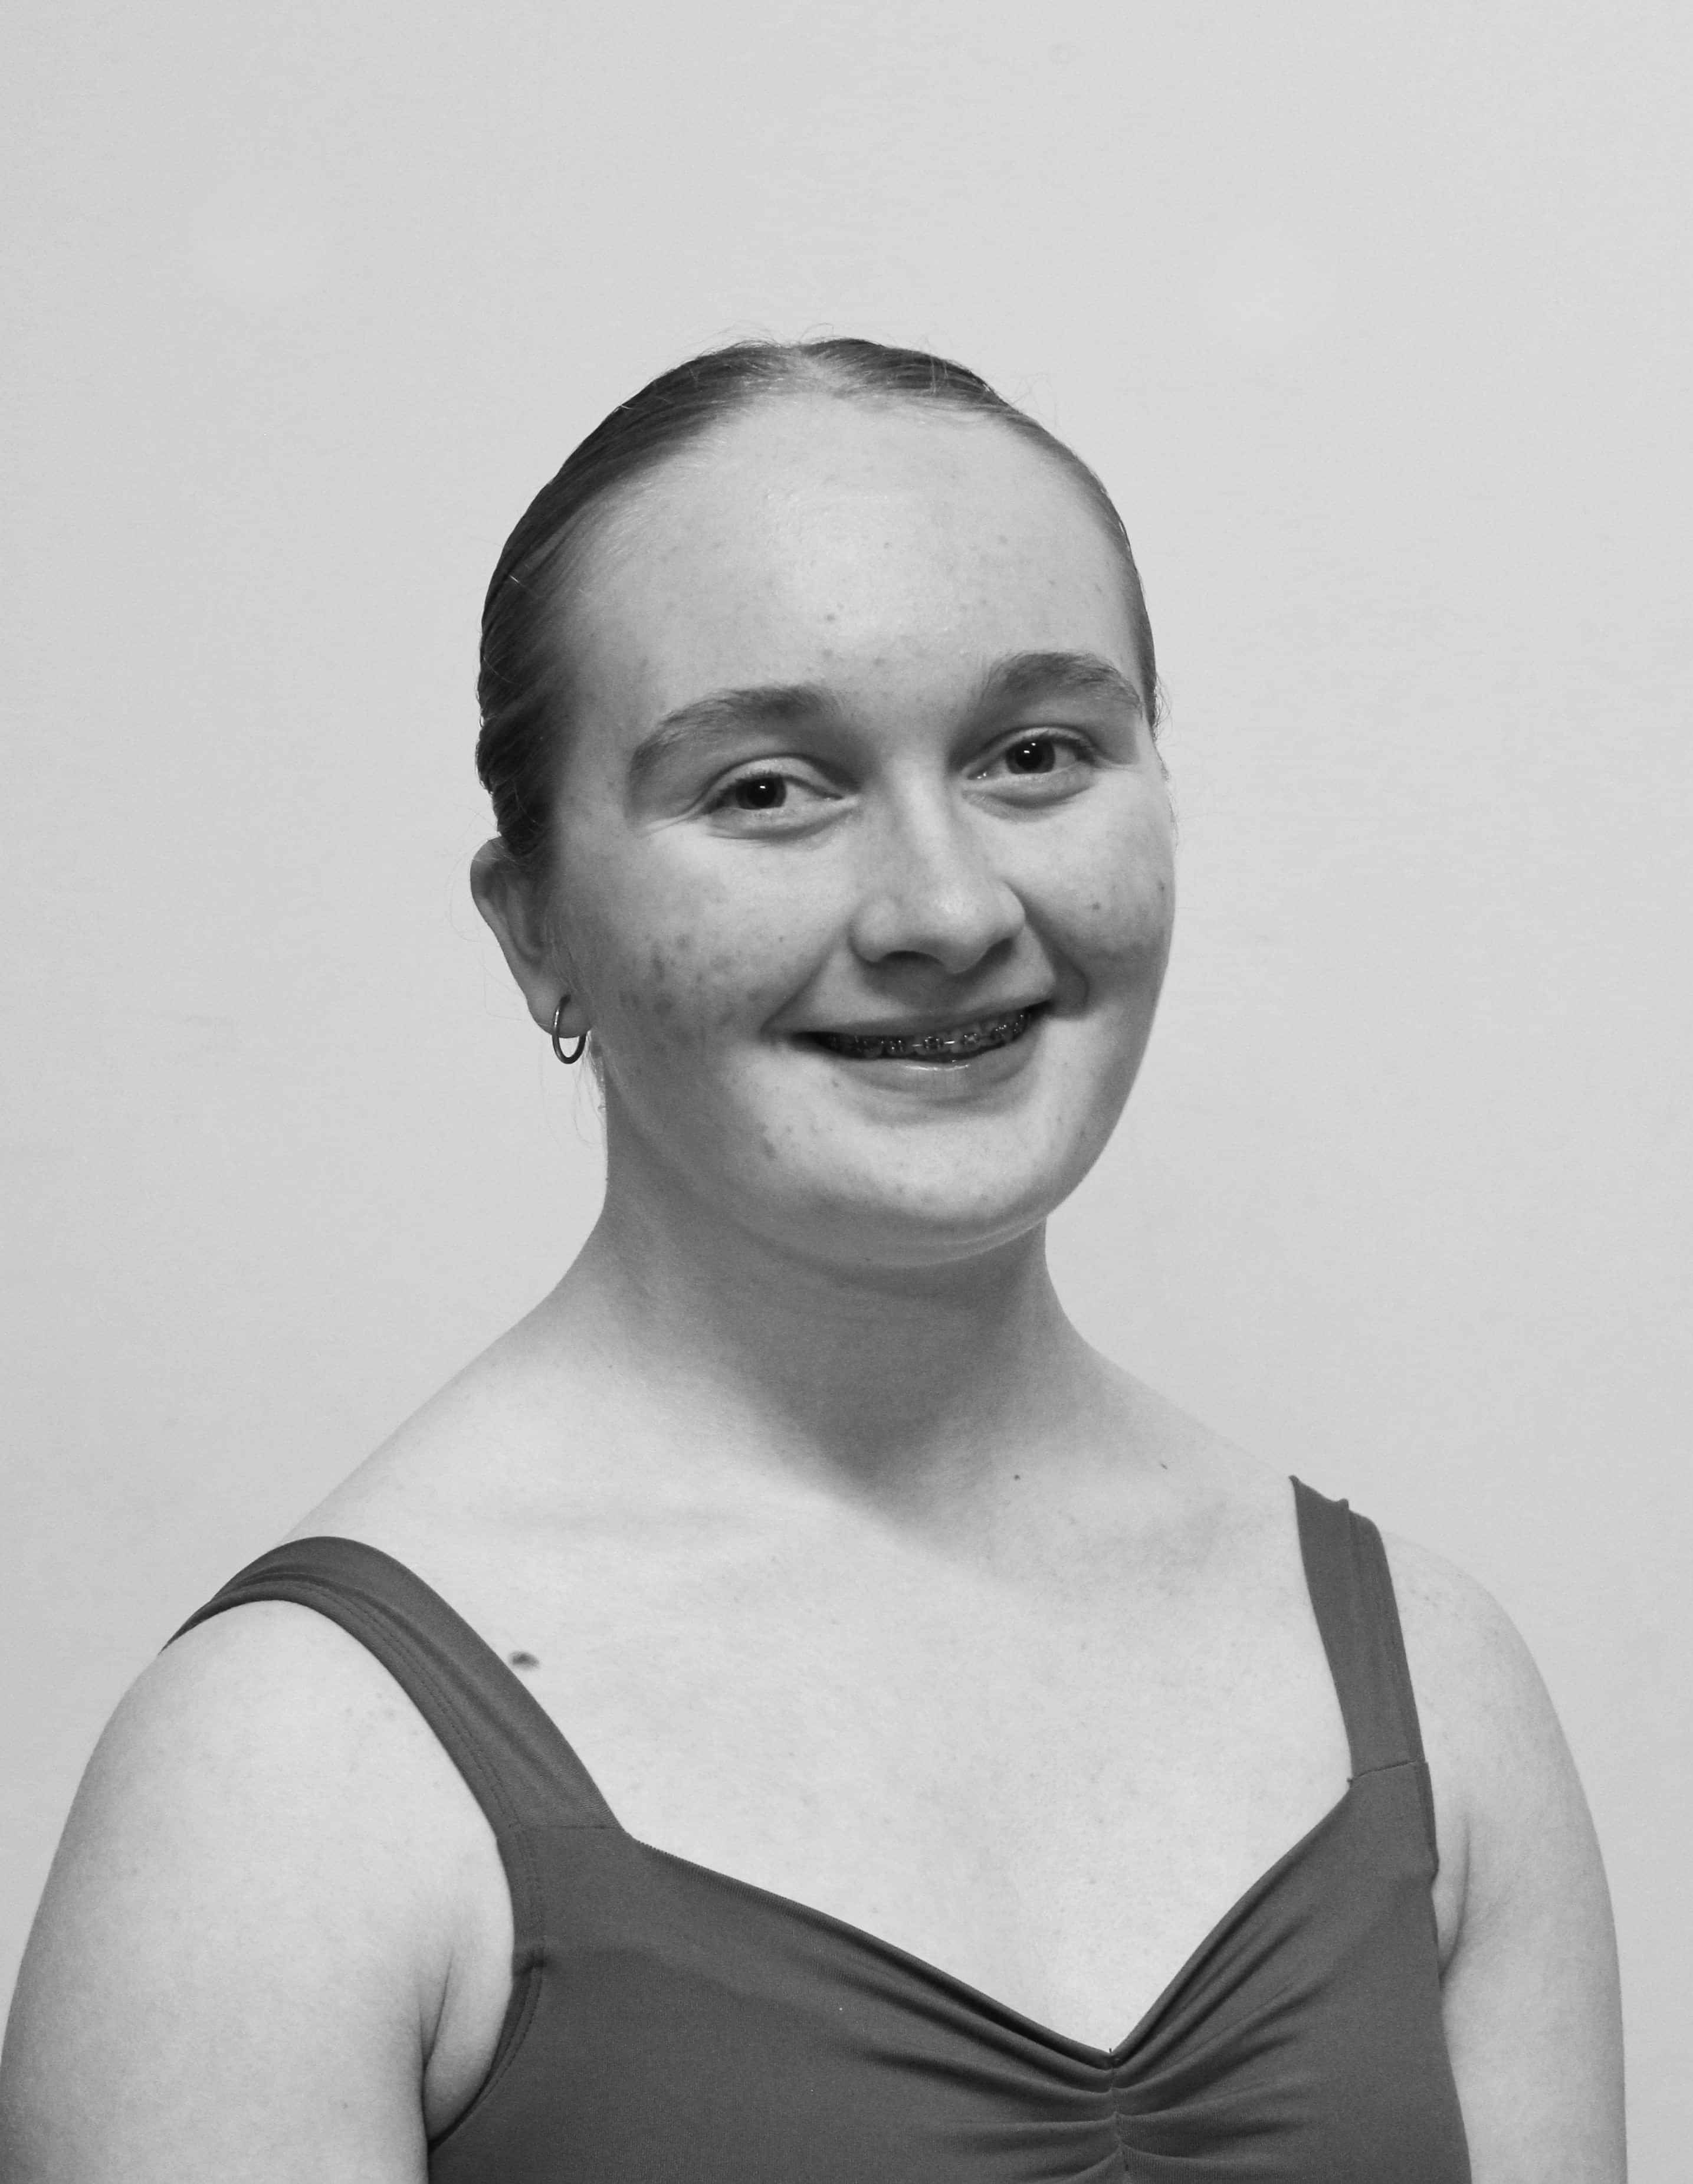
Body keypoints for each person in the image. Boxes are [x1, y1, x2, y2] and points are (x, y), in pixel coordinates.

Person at [0, 339, 1625, 2181]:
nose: (947, 908)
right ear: (536, 930)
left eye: (1036, 755)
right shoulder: (284, 1779)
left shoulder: (1436, 1685)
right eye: (771, 789)